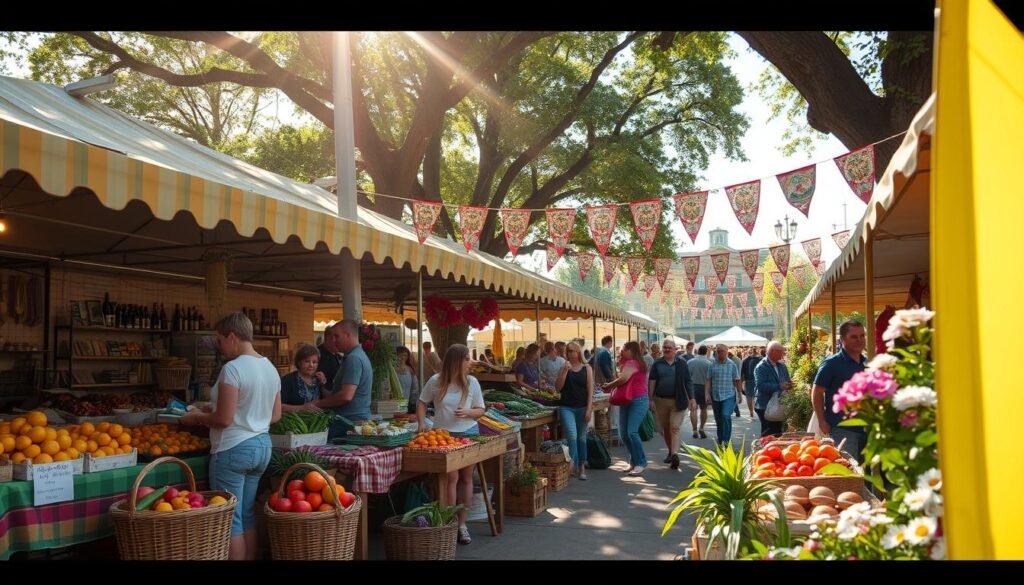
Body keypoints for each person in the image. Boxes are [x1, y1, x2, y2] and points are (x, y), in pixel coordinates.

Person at [179, 312, 280, 560]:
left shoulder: (232, 369)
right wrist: (232, 412)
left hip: (233, 448)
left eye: (220, 340)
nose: (219, 346)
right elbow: (275, 415)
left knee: (229, 518)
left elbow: (224, 420)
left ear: (232, 337)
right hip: (262, 446)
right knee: (246, 514)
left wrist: (195, 418)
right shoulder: (270, 367)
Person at [415, 344, 486, 545]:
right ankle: (448, 522)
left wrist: (469, 413)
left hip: (468, 433)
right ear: (457, 361)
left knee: (465, 477)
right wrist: (421, 422)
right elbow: (422, 401)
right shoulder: (436, 381)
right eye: (467, 359)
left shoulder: (472, 382)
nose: (470, 363)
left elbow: (481, 409)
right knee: (450, 477)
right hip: (443, 436)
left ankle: (462, 524)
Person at [813, 320, 868, 462]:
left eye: (862, 336)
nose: (860, 340)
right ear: (842, 339)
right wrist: (821, 421)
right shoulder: (832, 363)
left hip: (866, 429)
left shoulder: (866, 363)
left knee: (865, 474)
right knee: (849, 472)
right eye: (854, 337)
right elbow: (817, 392)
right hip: (842, 429)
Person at [313, 319, 373, 440]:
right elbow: (339, 393)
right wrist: (323, 386)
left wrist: (316, 404)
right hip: (354, 422)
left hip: (349, 424)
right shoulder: (356, 356)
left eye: (337, 336)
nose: (334, 340)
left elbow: (346, 396)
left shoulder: (354, 359)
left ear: (348, 335)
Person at [601, 341, 649, 475]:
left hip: (637, 400)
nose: (621, 351)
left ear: (631, 350)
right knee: (624, 434)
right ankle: (633, 461)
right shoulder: (633, 363)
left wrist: (609, 385)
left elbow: (623, 379)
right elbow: (623, 378)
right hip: (629, 400)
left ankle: (641, 462)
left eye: (623, 349)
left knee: (631, 432)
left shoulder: (632, 363)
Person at [648, 339, 692, 470]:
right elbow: (652, 382)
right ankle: (670, 451)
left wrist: (692, 398)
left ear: (675, 349)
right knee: (665, 429)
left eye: (669, 347)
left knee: (674, 427)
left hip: (678, 401)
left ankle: (675, 454)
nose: (667, 349)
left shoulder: (682, 363)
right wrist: (650, 399)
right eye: (665, 347)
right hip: (660, 400)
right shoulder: (657, 364)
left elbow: (688, 381)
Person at [555, 342, 594, 480]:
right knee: (572, 435)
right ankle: (572, 462)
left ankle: (581, 466)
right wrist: (565, 371)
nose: (571, 353)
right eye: (569, 351)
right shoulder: (564, 367)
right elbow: (558, 388)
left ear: (579, 352)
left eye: (574, 351)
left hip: (582, 406)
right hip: (567, 406)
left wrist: (589, 409)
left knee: (581, 437)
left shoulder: (587, 368)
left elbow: (590, 391)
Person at [754, 341, 793, 438]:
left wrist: (790, 384)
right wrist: (779, 386)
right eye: (781, 352)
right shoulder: (761, 367)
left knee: (778, 432)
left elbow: (786, 380)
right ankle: (766, 451)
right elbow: (760, 385)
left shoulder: (782, 366)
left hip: (780, 405)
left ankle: (776, 451)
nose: (783, 354)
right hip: (766, 406)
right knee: (769, 434)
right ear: (772, 351)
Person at [706, 344, 741, 448]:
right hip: (715, 395)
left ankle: (726, 440)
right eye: (718, 351)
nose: (720, 353)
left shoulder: (732, 365)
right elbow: (708, 380)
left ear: (726, 352)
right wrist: (706, 394)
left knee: (725, 415)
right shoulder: (712, 364)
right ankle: (720, 439)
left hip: (729, 395)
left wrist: (739, 394)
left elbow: (737, 379)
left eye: (722, 351)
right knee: (718, 419)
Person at [280, 343, 327, 412]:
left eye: (314, 362)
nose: (311, 365)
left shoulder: (318, 379)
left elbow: (327, 401)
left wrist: (323, 384)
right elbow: (279, 406)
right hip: (294, 421)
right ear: (299, 362)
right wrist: (301, 408)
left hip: (317, 420)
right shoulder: (288, 380)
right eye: (307, 361)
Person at [687, 345, 712, 439]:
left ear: (697, 351)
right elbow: (710, 378)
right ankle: (701, 428)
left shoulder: (690, 362)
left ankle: (694, 429)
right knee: (704, 409)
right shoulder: (709, 363)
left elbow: (686, 377)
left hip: (692, 387)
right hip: (704, 388)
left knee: (693, 409)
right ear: (706, 352)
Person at [317, 322, 344, 388]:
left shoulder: (339, 356)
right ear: (328, 338)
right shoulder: (316, 354)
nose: (339, 341)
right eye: (336, 337)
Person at [395, 346, 421, 414]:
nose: (403, 357)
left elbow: (414, 388)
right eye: (400, 355)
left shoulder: (410, 370)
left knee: (402, 417)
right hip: (392, 402)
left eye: (405, 355)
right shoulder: (391, 369)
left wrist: (413, 402)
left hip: (406, 401)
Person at [740, 347, 761, 418]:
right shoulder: (761, 360)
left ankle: (751, 411)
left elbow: (742, 373)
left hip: (748, 380)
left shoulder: (745, 360)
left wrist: (741, 383)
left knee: (749, 397)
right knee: (757, 396)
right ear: (757, 351)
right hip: (757, 380)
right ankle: (756, 409)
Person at [728, 350, 743, 417]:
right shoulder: (738, 360)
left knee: (732, 397)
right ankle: (736, 411)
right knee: (733, 396)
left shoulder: (732, 362)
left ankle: (736, 411)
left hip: (732, 380)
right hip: (737, 379)